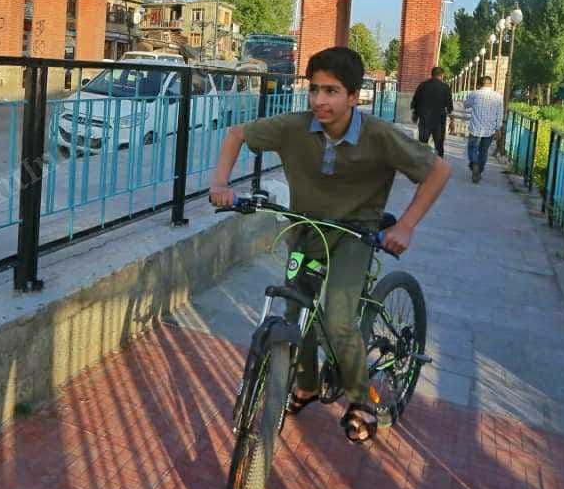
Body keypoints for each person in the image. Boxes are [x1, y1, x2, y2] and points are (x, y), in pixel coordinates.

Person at [208, 47, 451, 443]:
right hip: (306, 229)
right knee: (295, 311)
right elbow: (237, 134)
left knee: (337, 317)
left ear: (354, 97)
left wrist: (406, 226)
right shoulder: (294, 127)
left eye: (332, 91)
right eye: (315, 89)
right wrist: (221, 184)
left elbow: (439, 170)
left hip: (355, 235)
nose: (320, 100)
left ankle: (362, 400)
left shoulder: (378, 135)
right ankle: (304, 386)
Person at [465, 75, 504, 183]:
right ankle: (479, 170)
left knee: (472, 148)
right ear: (491, 84)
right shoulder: (498, 96)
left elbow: (466, 105)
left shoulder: (474, 94)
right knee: (484, 151)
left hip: (475, 128)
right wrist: (498, 128)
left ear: (479, 84)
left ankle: (474, 164)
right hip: (490, 129)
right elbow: (499, 114)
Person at [411, 66, 453, 157]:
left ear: (432, 74)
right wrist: (452, 121)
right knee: (439, 145)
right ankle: (438, 165)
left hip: (425, 119)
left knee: (422, 143)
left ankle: (422, 163)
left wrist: (415, 115)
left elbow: (416, 100)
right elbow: (449, 105)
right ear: (442, 75)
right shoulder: (445, 87)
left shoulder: (423, 85)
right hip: (439, 121)